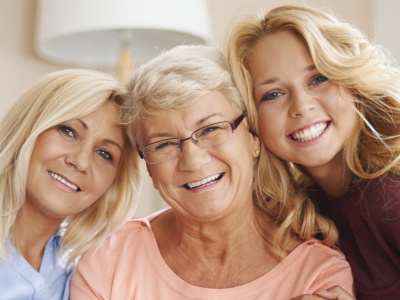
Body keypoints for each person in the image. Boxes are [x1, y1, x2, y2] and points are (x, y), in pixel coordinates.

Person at [69, 45, 354, 299]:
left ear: (253, 138)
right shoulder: (107, 259)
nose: (192, 161)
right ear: (149, 169)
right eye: (164, 144)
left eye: (210, 129)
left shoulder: (318, 275)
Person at [225, 4, 400, 300]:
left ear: (352, 83)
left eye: (318, 78)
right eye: (273, 94)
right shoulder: (303, 208)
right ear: (253, 121)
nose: (302, 106)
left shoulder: (390, 195)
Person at [0, 69, 139, 299]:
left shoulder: (86, 273)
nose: (81, 161)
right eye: (68, 131)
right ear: (29, 128)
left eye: (104, 153)